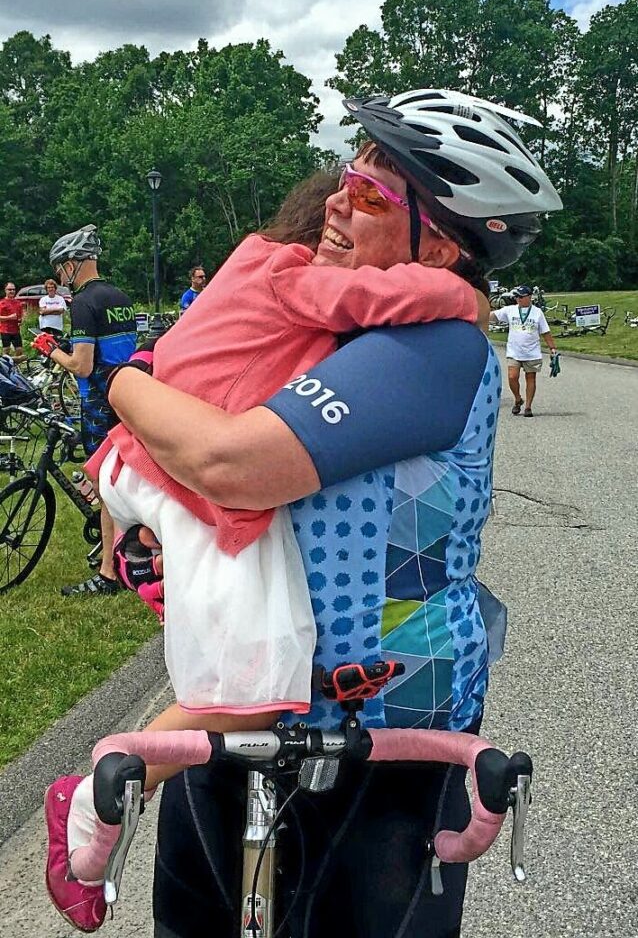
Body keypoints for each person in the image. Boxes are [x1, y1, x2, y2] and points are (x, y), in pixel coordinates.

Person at [45, 90, 562, 937]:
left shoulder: (434, 345)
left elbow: (227, 461)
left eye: (369, 195)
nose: (334, 198)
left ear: (438, 241)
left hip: (382, 734)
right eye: (347, 173)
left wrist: (118, 382)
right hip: (251, 705)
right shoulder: (326, 317)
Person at [32, 225, 137, 595]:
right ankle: (129, 553)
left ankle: (109, 572)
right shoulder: (120, 297)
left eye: (61, 269)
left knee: (104, 486)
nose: (60, 277)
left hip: (98, 402)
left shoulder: (83, 303)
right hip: (130, 396)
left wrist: (49, 349)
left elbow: (82, 365)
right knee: (123, 479)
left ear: (74, 264)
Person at [489, 284, 558, 417]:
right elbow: (493, 316)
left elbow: (546, 332)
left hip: (532, 352)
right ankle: (517, 398)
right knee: (512, 377)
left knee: (530, 378)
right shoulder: (510, 310)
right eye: (517, 297)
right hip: (514, 352)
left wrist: (552, 348)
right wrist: (479, 313)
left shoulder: (537, 313)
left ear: (529, 297)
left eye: (521, 297)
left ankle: (528, 407)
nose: (518, 299)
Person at [0, 281, 24, 356]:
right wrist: (9, 317)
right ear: (5, 290)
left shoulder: (18, 303)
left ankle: (14, 366)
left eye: (13, 289)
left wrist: (21, 321)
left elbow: (19, 317)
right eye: (9, 289)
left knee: (19, 350)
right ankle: (5, 366)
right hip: (5, 330)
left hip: (16, 330)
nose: (12, 291)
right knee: (6, 350)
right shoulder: (2, 303)